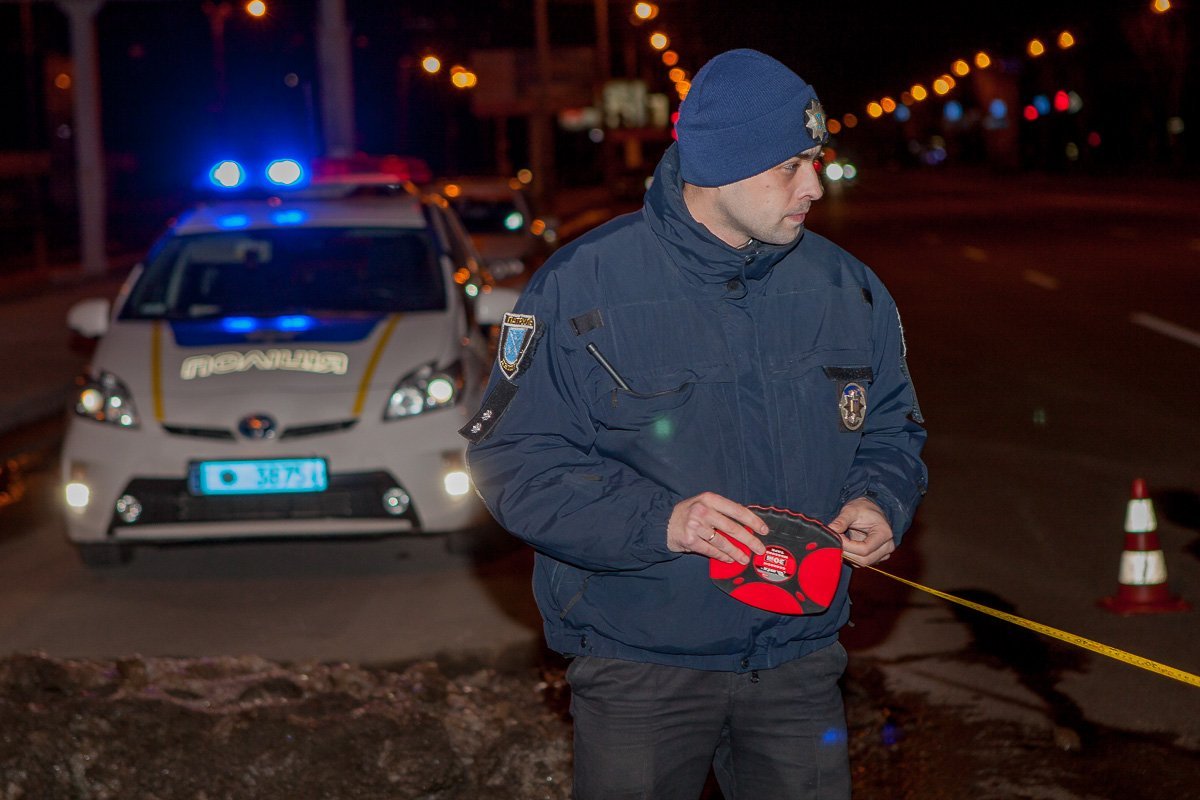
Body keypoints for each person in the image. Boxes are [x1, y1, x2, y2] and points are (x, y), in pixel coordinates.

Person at [461, 48, 927, 800]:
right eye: (791, 166)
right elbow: (515, 459)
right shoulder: (583, 286)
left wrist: (879, 498)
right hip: (641, 664)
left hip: (798, 658)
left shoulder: (848, 288)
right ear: (718, 167)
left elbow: (893, 427)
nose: (814, 185)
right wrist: (663, 522)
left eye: (815, 161)